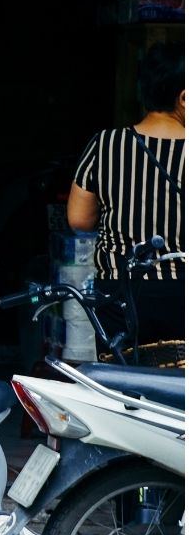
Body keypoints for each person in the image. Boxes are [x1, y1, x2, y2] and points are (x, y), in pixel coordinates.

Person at [67, 43, 185, 346]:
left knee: (120, 383)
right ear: (183, 98)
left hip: (119, 294)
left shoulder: (105, 145)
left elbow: (79, 220)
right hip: (183, 295)